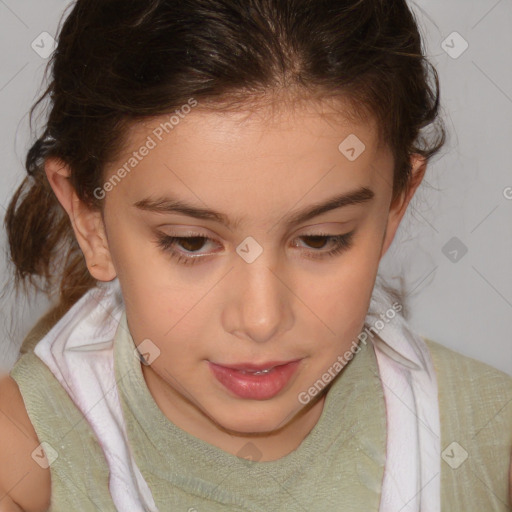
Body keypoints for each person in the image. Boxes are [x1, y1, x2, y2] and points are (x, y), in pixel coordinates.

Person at [0, 0, 511, 511]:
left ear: (395, 204)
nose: (261, 318)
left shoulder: (490, 440)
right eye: (192, 242)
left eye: (320, 239)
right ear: (91, 221)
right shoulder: (22, 460)